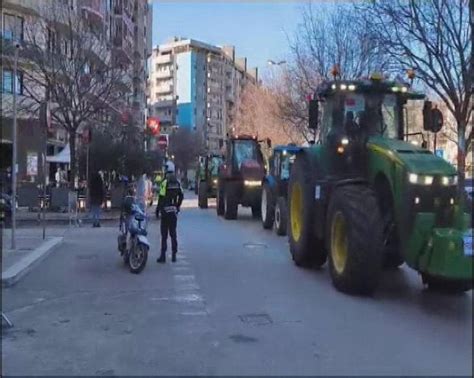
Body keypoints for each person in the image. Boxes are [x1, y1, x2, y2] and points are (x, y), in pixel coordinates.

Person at [157, 162, 184, 263]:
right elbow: (181, 195)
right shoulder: (177, 182)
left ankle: (163, 256)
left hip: (165, 212)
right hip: (173, 212)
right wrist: (177, 206)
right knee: (173, 234)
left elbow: (161, 197)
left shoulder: (165, 182)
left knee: (164, 235)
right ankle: (174, 255)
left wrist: (158, 210)